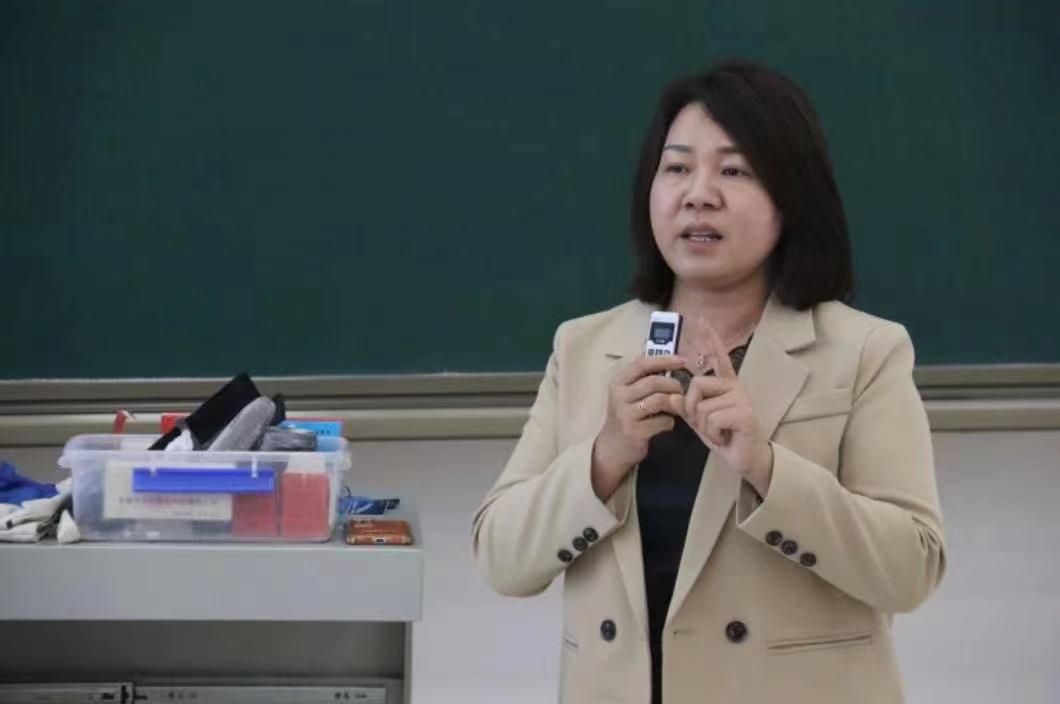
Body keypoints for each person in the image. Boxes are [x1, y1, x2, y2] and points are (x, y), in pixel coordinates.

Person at [472, 60, 945, 704]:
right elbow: (501, 558)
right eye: (676, 168)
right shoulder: (584, 347)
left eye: (734, 171)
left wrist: (767, 469)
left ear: (791, 196)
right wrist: (603, 459)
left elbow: (912, 568)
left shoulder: (864, 351)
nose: (698, 194)